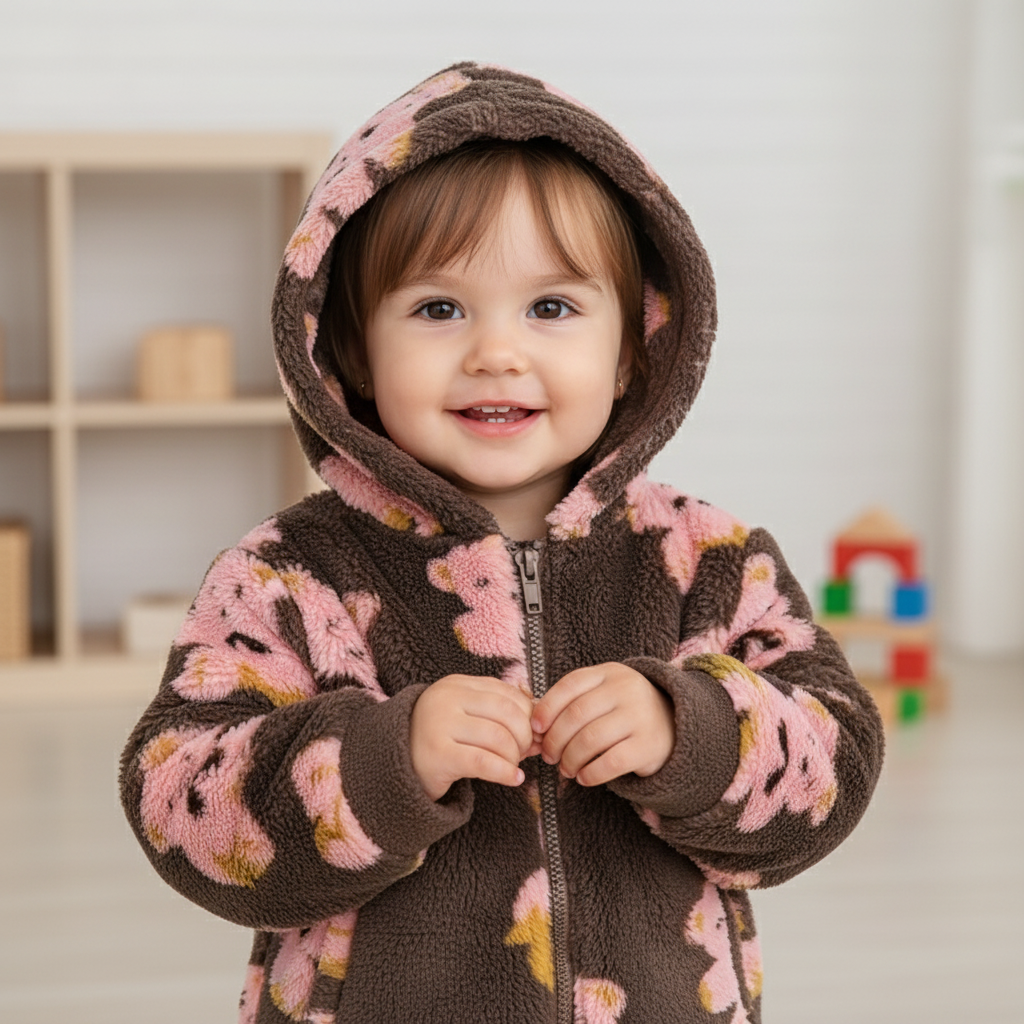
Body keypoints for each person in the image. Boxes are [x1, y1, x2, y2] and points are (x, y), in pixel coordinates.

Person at [120, 63, 884, 1024]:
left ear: (632, 348)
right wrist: (379, 758)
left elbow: (836, 762)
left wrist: (688, 729)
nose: (497, 352)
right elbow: (183, 800)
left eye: (552, 308)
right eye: (438, 308)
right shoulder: (286, 576)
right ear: (349, 350)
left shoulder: (710, 561)